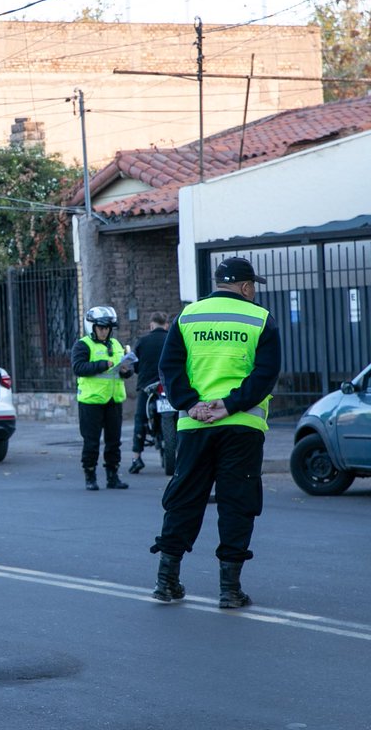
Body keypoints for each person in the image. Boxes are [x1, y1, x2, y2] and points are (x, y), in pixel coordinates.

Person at [150, 256, 281, 609]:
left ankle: (166, 581)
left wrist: (190, 403)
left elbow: (169, 367)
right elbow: (266, 374)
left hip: (195, 425)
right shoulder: (260, 319)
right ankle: (229, 590)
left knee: (184, 499)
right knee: (238, 502)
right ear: (246, 286)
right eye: (253, 287)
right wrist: (231, 404)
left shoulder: (188, 316)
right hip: (242, 425)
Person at [71, 306, 134, 491]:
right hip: (91, 401)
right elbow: (78, 368)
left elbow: (123, 372)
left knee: (114, 441)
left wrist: (126, 371)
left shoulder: (116, 344)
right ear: (92, 327)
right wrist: (102, 364)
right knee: (91, 442)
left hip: (114, 400)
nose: (104, 331)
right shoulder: (83, 345)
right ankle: (90, 476)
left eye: (107, 328)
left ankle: (112, 476)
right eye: (101, 328)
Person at [130, 312, 170, 474]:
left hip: (148, 387)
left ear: (151, 325)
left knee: (140, 419)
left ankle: (136, 457)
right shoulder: (172, 339)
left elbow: (135, 366)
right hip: (169, 386)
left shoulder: (142, 341)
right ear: (166, 325)